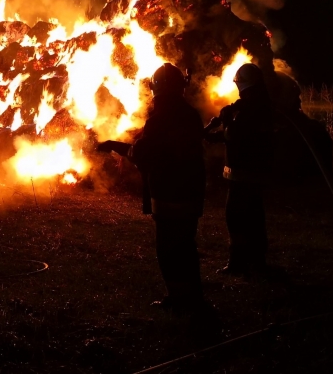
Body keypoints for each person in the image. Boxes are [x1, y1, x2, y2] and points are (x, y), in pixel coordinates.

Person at [98, 63, 206, 313]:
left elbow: (144, 154)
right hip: (191, 191)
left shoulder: (159, 120)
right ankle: (193, 295)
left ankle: (178, 299)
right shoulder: (191, 114)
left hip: (169, 193)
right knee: (186, 245)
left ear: (156, 89)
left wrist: (116, 145)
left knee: (169, 248)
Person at [205, 62, 274, 274]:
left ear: (242, 84)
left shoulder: (249, 109)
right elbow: (236, 135)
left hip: (242, 174)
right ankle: (257, 262)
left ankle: (238, 262)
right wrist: (215, 134)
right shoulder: (262, 105)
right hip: (255, 172)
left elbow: (235, 136)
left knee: (236, 218)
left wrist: (226, 120)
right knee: (254, 217)